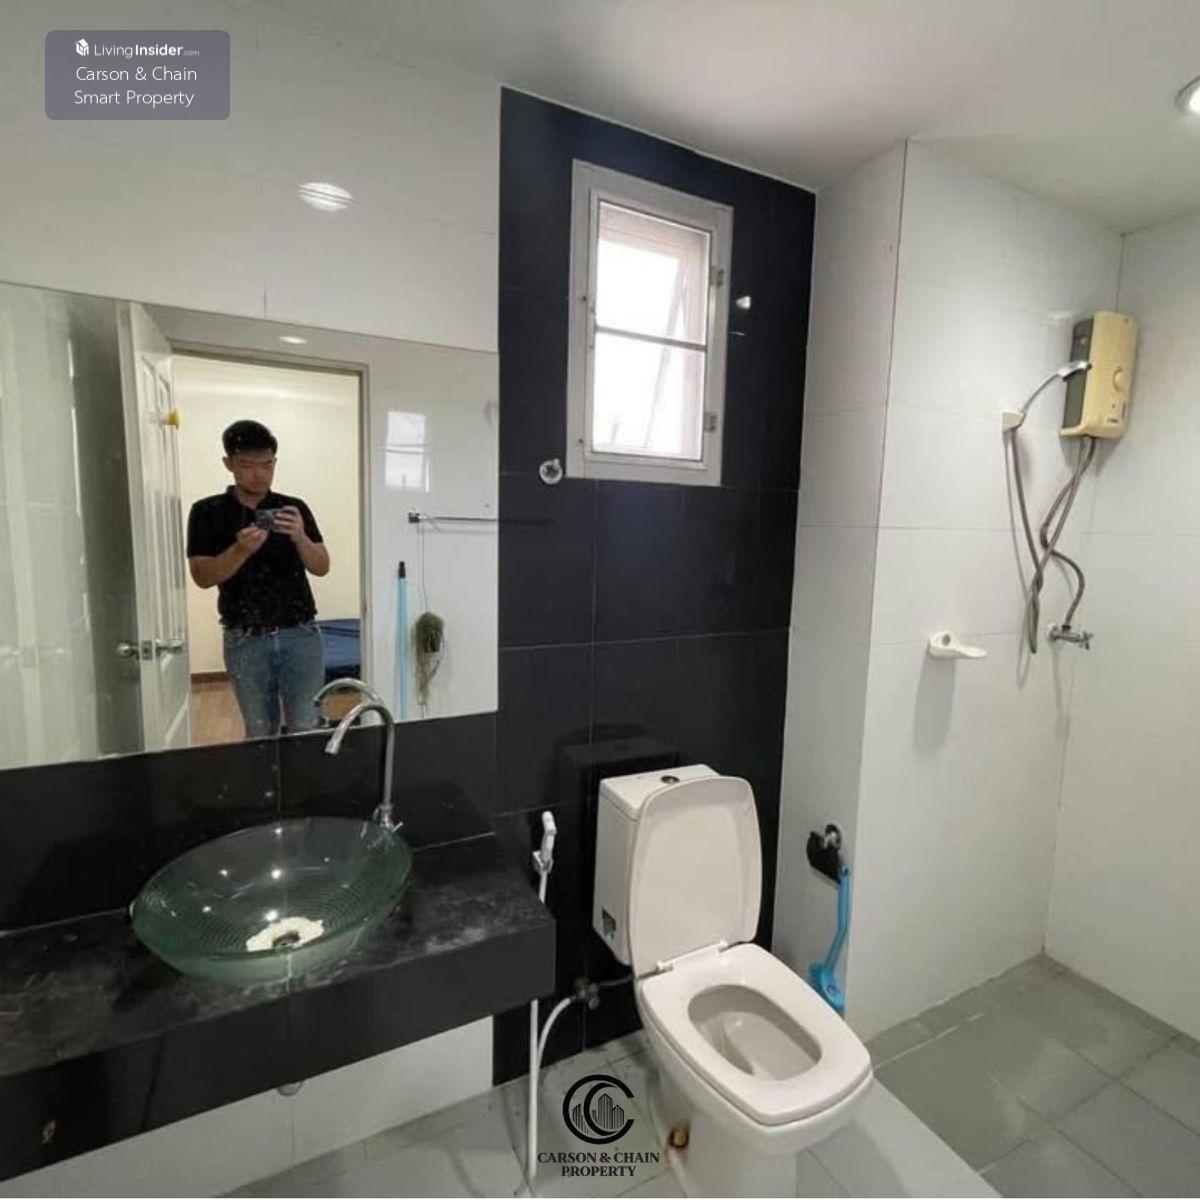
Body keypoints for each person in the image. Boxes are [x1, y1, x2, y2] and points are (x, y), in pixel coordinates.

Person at [186, 420, 330, 738]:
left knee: (307, 727)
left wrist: (300, 537)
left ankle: (302, 774)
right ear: (228, 464)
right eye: (247, 465)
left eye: (266, 465)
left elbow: (321, 567)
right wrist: (240, 550)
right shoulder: (207, 512)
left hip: (301, 634)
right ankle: (267, 774)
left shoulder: (293, 508)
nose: (259, 474)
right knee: (260, 731)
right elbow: (202, 577)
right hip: (245, 637)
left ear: (275, 462)